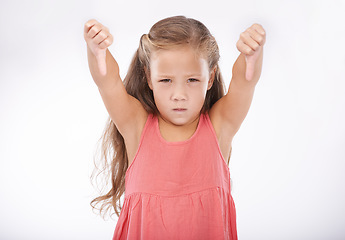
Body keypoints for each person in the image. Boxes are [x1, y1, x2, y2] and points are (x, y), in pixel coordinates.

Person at [84, 15, 265, 240]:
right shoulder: (136, 126)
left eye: (192, 80)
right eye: (166, 80)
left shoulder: (220, 125)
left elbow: (245, 82)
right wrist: (97, 51)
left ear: (210, 78)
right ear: (149, 78)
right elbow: (107, 81)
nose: (179, 96)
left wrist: (252, 54)